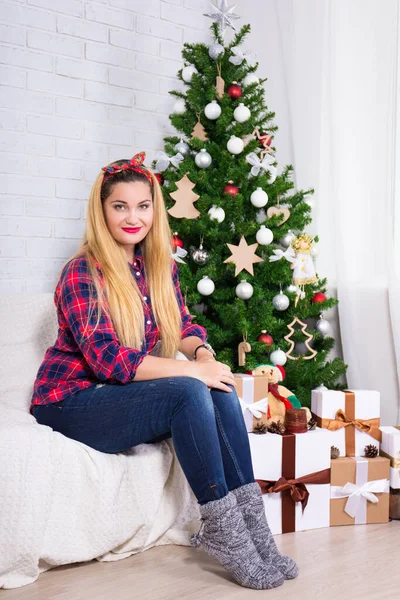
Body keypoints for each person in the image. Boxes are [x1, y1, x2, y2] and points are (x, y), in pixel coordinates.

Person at [30, 152, 297, 590]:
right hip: (69, 402)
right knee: (188, 391)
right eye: (120, 206)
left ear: (155, 210)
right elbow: (109, 361)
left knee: (218, 386)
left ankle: (253, 531)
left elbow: (185, 326)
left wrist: (205, 356)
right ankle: (225, 531)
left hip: (114, 395)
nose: (133, 217)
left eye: (143, 206)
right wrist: (191, 373)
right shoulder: (82, 271)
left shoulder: (160, 267)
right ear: (102, 212)